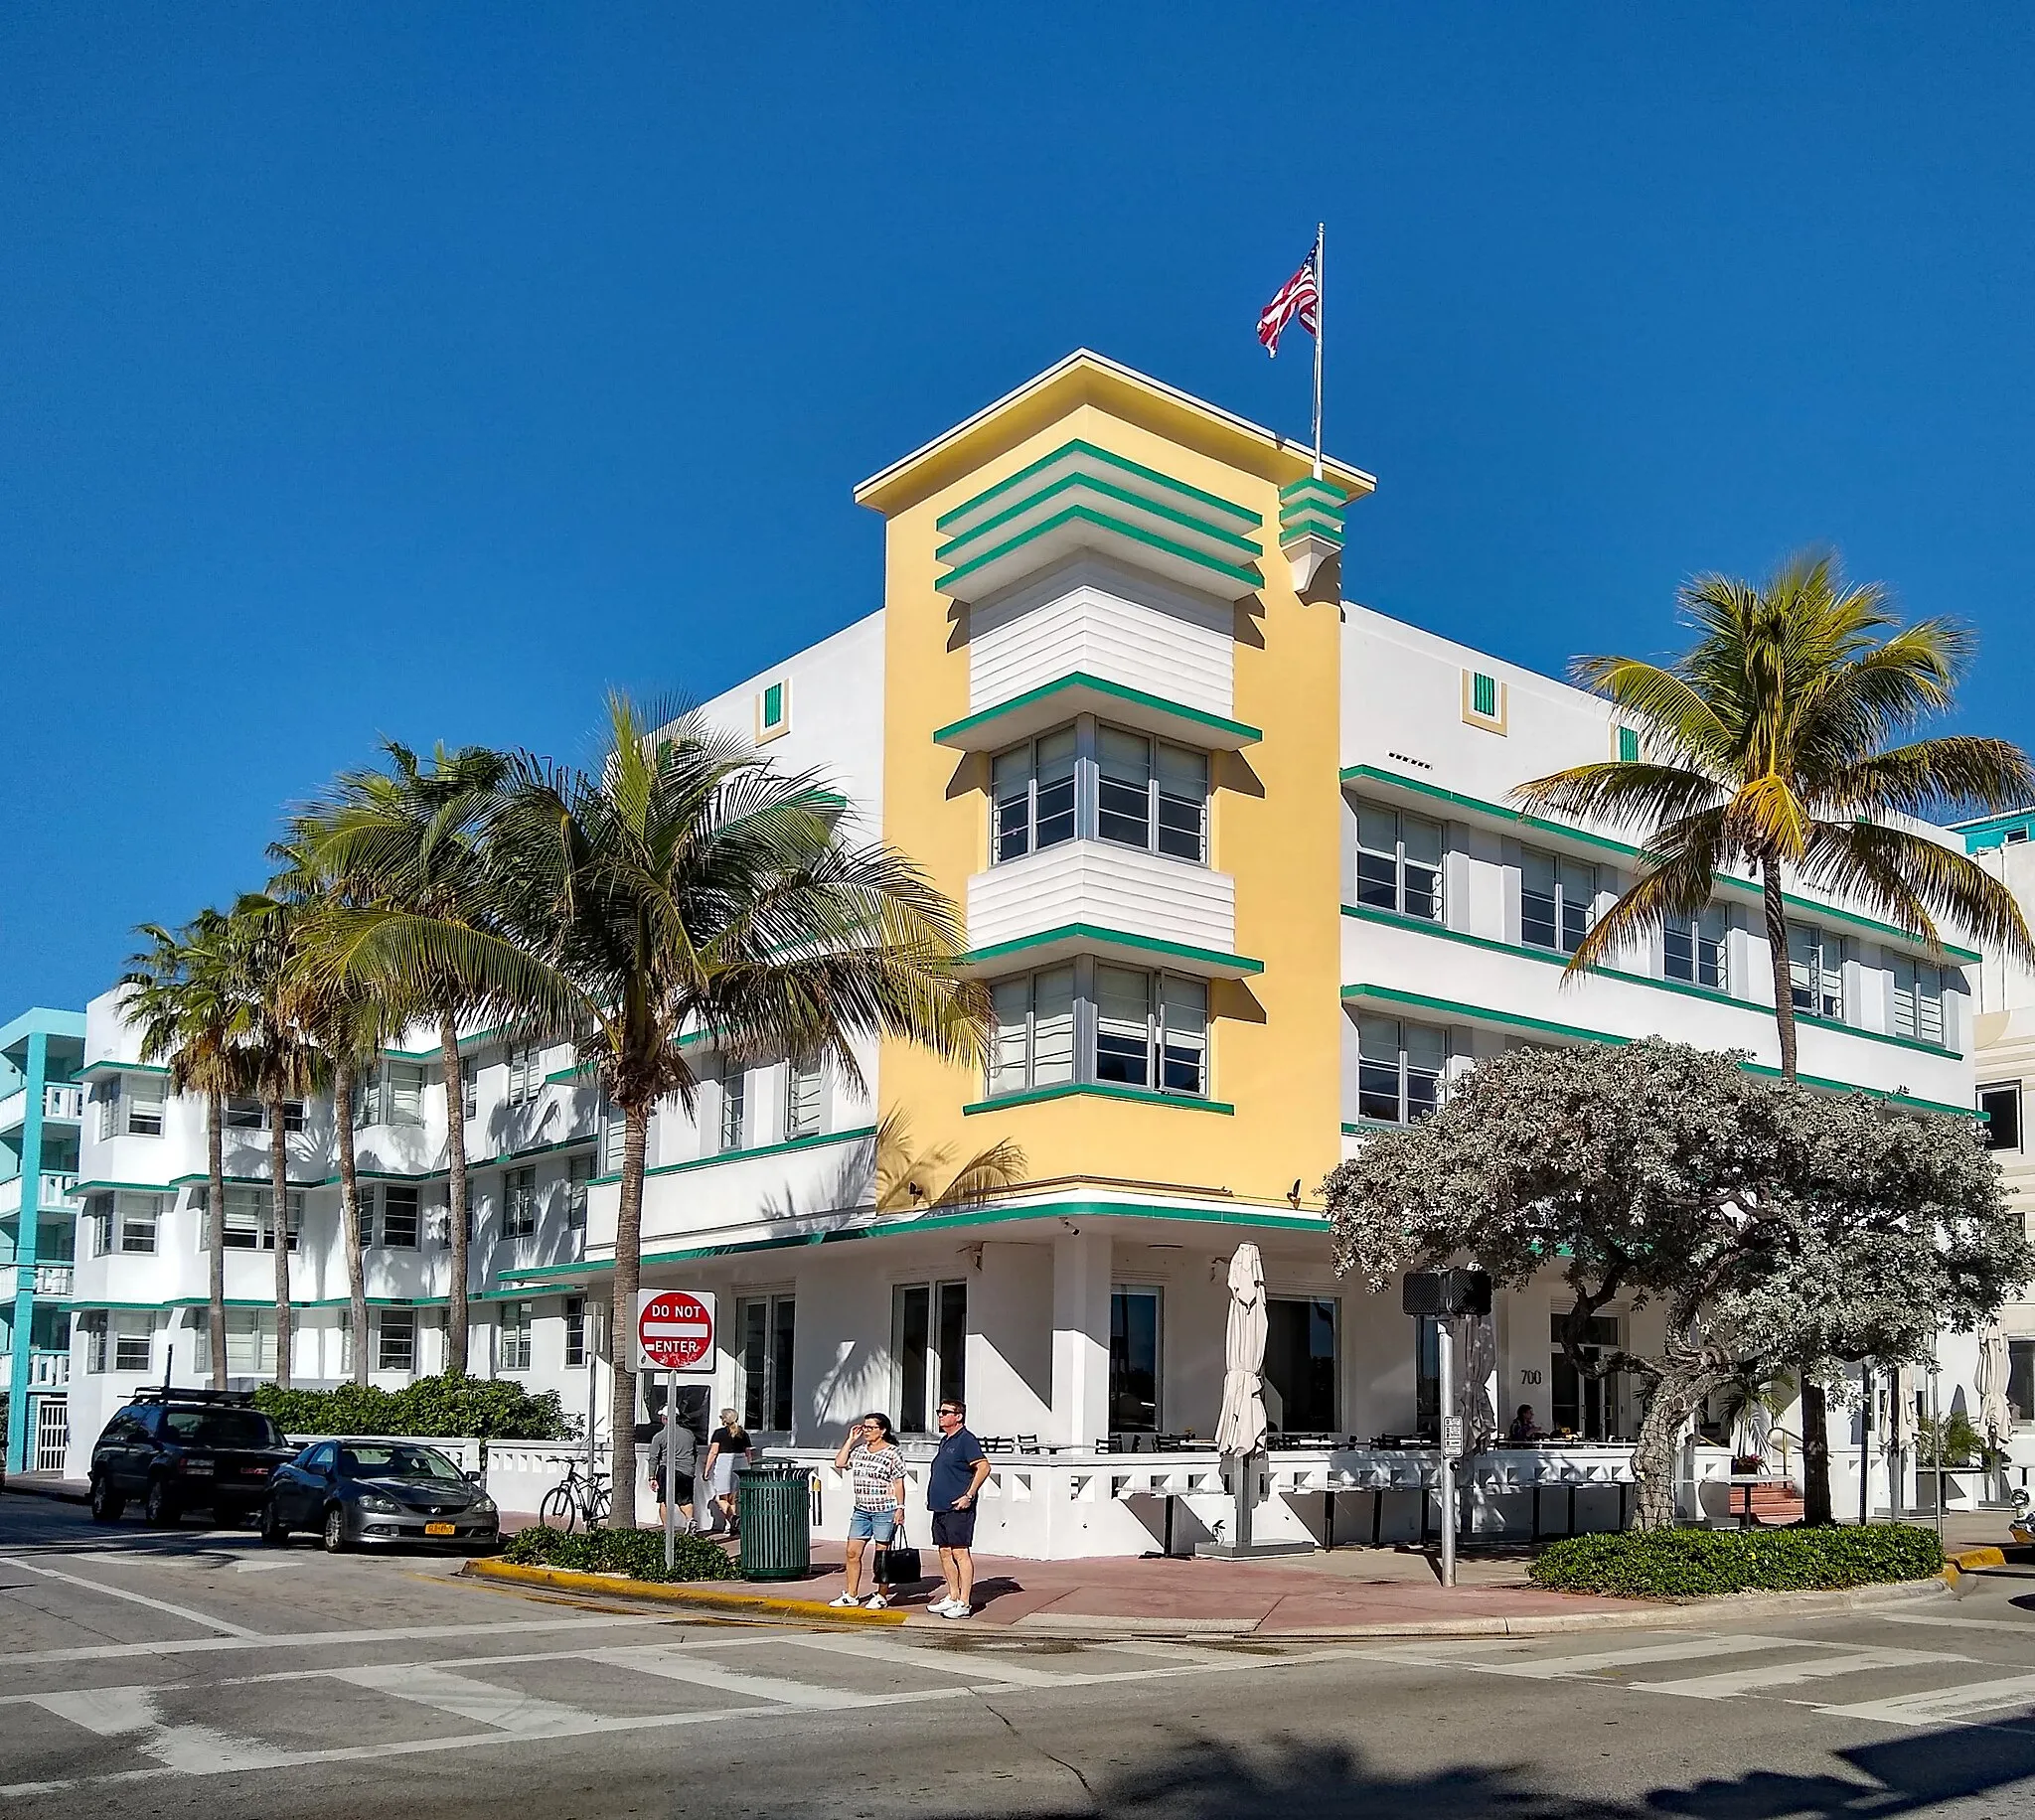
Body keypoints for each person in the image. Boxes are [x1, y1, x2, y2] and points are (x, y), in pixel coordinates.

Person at [830, 1413, 906, 1608]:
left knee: (882, 1555)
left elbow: (898, 1482)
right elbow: (839, 1463)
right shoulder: (859, 1451)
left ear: (883, 1430)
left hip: (884, 1510)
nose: (866, 1431)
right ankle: (851, 1594)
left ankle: (881, 1595)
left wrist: (900, 1508)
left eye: (871, 1428)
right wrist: (850, 1440)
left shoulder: (892, 1452)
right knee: (852, 1552)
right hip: (862, 1509)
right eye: (865, 1427)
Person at [926, 1398, 990, 1619]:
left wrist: (968, 1495)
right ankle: (952, 1596)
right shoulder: (946, 1440)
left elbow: (983, 1467)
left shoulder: (966, 1440)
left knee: (960, 1552)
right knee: (944, 1551)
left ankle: (964, 1602)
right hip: (940, 1506)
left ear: (958, 1416)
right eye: (939, 1412)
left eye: (945, 1412)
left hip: (958, 1506)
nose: (940, 1416)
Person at [703, 1408, 755, 1537]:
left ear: (724, 1419)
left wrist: (706, 1470)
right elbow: (748, 1452)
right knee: (732, 1498)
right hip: (741, 1462)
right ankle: (733, 1527)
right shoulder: (743, 1433)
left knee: (720, 1497)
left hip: (725, 1463)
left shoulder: (719, 1433)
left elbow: (714, 1451)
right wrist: (749, 1466)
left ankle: (733, 1519)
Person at [645, 1412, 698, 1532]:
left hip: (667, 1471)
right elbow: (695, 1452)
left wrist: (651, 1477)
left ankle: (668, 1529)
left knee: (664, 1501)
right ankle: (690, 1520)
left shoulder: (660, 1436)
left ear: (664, 1419)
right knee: (685, 1500)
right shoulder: (689, 1434)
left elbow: (653, 1458)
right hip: (687, 1472)